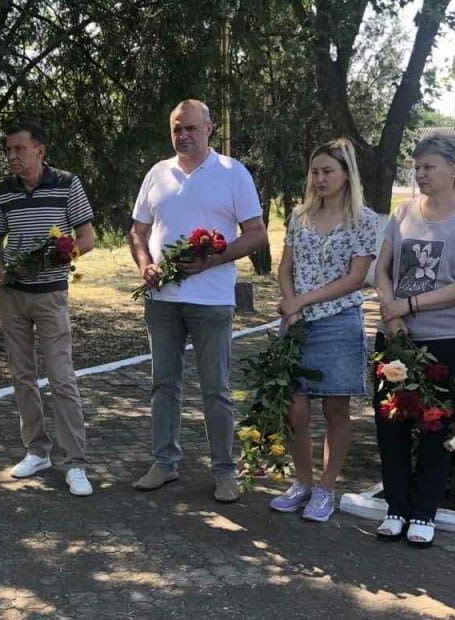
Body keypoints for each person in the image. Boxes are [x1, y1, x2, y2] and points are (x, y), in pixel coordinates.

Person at [128, 100, 268, 502]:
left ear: (209, 128)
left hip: (211, 300)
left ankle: (225, 472)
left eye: (191, 128)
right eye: (176, 129)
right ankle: (165, 463)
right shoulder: (157, 174)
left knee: (216, 389)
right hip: (162, 299)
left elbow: (257, 233)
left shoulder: (231, 173)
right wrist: (145, 265)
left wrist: (215, 258)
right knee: (163, 385)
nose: (183, 136)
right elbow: (138, 231)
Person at [373, 132, 455, 546]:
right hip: (395, 337)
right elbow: (382, 271)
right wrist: (392, 316)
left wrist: (411, 306)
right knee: (391, 424)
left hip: (447, 340)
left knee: (434, 427)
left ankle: (424, 512)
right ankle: (395, 507)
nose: (420, 174)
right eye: (417, 167)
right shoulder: (403, 212)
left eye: (429, 166)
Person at [271, 139, 379, 522]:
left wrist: (304, 300)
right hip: (298, 324)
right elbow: (285, 269)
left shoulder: (363, 220)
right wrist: (290, 302)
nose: (319, 178)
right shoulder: (299, 217)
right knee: (294, 409)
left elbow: (355, 278)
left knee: (336, 408)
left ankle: (327, 487)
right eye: (315, 171)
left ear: (346, 174)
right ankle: (302, 481)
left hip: (337, 322)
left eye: (327, 171)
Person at [0, 121, 96, 497]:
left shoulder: (67, 183)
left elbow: (87, 236)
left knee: (61, 377)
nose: (12, 156)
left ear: (40, 150)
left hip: (50, 295)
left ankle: (76, 462)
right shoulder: (4, 191)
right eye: (8, 150)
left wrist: (66, 253)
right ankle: (37, 450)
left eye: (19, 149)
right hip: (13, 296)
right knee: (22, 376)